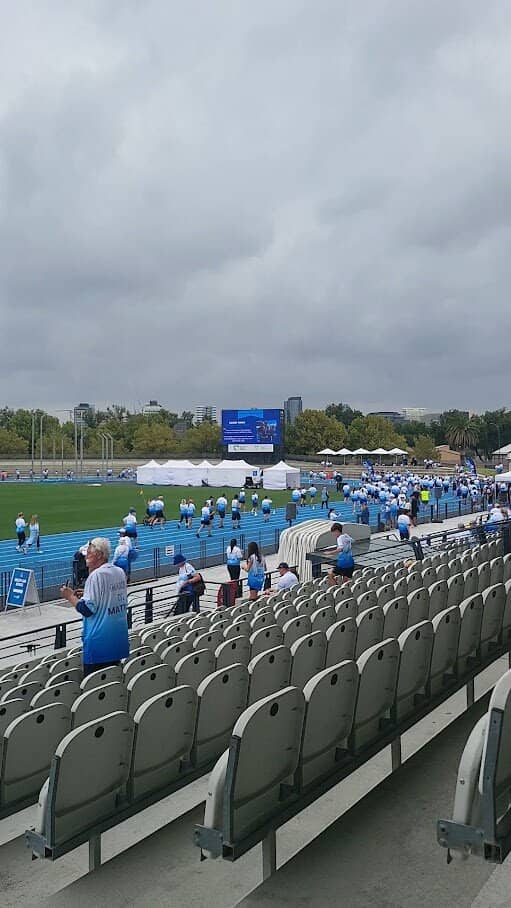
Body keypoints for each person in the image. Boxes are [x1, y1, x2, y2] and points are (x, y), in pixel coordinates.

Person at [59, 538, 129, 676]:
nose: (86, 555)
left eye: (89, 552)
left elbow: (87, 609)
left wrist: (69, 596)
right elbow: (110, 597)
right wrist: (87, 593)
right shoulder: (119, 572)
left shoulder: (96, 576)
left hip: (99, 645)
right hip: (118, 641)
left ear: (99, 555)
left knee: (94, 688)